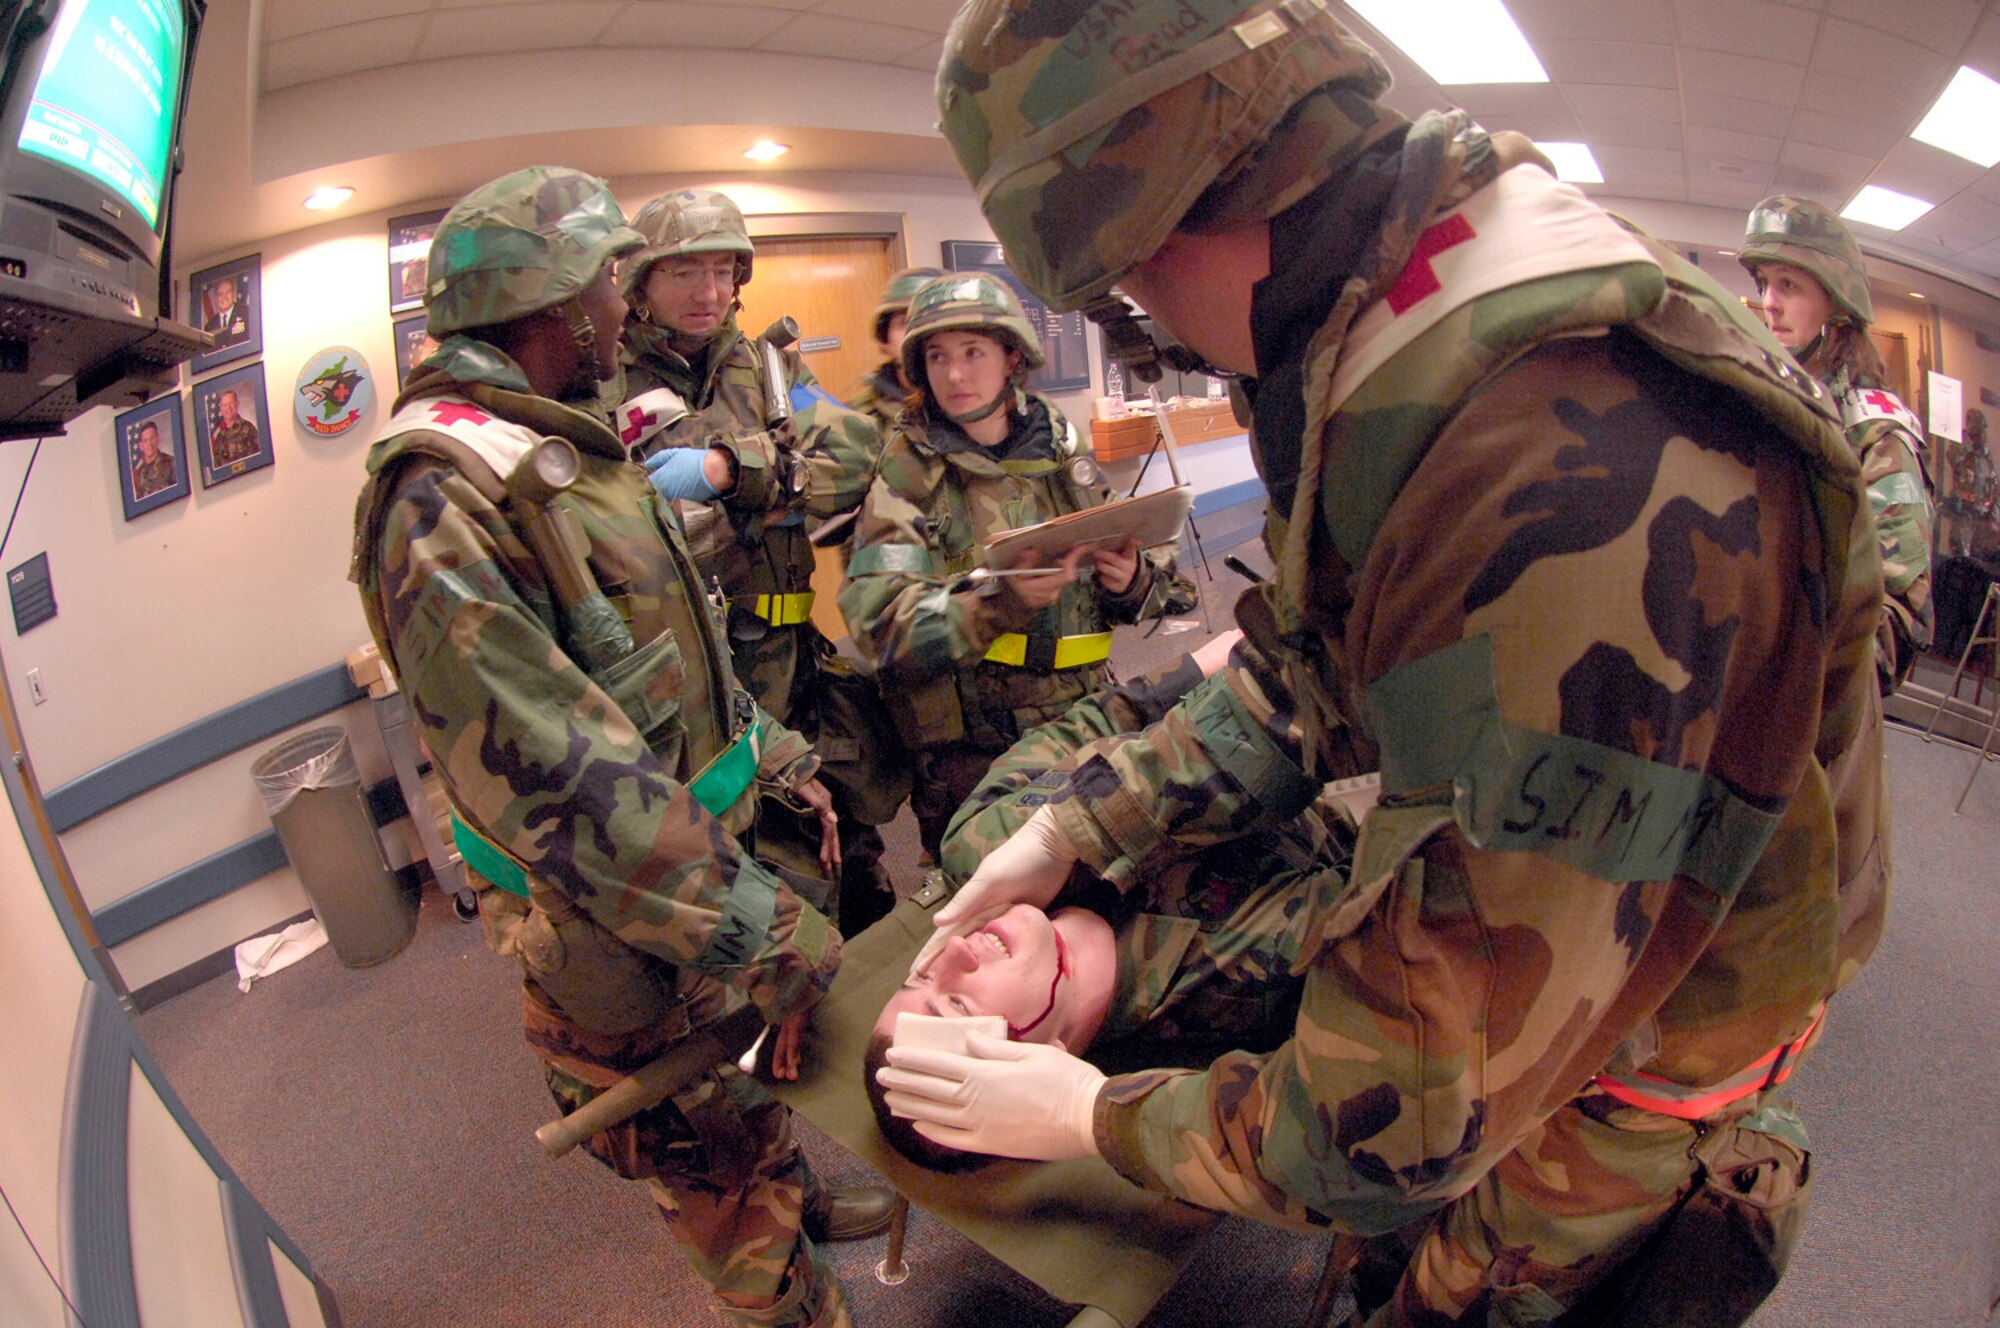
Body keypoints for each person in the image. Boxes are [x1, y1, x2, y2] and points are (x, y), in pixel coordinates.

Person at [875, 6, 1890, 1326]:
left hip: (1612, 1094)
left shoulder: (1555, 451)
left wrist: (1089, 1117)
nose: (1155, 326)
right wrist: (1077, 827)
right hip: (1537, 1029)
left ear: (1159, 224)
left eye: (1130, 297)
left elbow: (1401, 1111)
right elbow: (1319, 664)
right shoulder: (1412, 303)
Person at [348, 166, 890, 1328]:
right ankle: (777, 1296)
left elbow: (664, 650)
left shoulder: (557, 445)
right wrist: (755, 920)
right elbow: (554, 770)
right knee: (693, 1149)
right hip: (614, 911)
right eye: (605, 278)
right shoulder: (441, 498)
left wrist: (772, 748)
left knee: (737, 1090)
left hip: (683, 871)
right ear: (547, 301)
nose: (617, 305)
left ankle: (782, 1212)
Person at [866, 631, 1346, 1171]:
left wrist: (1211, 660)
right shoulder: (1251, 982)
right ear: (1033, 1060)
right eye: (958, 1004)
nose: (953, 954)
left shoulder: (981, 844)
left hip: (1266, 675)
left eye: (922, 975)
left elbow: (1098, 719)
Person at [615, 187, 902, 935]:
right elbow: (612, 521)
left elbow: (851, 458)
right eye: (685, 273)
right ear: (640, 283)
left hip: (791, 654)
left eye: (722, 271)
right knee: (720, 848)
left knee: (841, 834)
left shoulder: (767, 369)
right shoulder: (603, 388)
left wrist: (725, 470)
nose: (709, 293)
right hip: (684, 673)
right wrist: (780, 478)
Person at [837, 270, 1197, 861]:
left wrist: (1132, 583)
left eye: (973, 352)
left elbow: (1163, 580)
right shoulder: (905, 476)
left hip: (1087, 722)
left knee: (1108, 878)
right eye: (937, 356)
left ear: (1011, 358)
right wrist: (996, 603)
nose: (955, 375)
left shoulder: (1059, 449)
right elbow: (881, 629)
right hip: (975, 763)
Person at [1739, 195, 1936, 692]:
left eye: (1789, 285)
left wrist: (1795, 672)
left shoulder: (1876, 433)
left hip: (1802, 703)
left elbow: (1899, 619)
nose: (1769, 302)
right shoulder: (1767, 399)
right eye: (1764, 283)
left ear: (1837, 302)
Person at [847, 265, 944, 433]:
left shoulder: (985, 410)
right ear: (885, 338)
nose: (917, 333)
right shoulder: (857, 422)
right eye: (905, 322)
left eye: (931, 321)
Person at [209, 389, 260, 466]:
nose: (228, 408)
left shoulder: (248, 428)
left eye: (231, 404)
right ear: (221, 408)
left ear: (237, 404)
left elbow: (258, 459)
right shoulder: (217, 434)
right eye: (225, 405)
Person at [129, 419, 176, 498]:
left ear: (158, 440)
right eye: (146, 440)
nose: (149, 444)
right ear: (141, 446)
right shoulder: (138, 474)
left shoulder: (171, 462)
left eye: (152, 438)